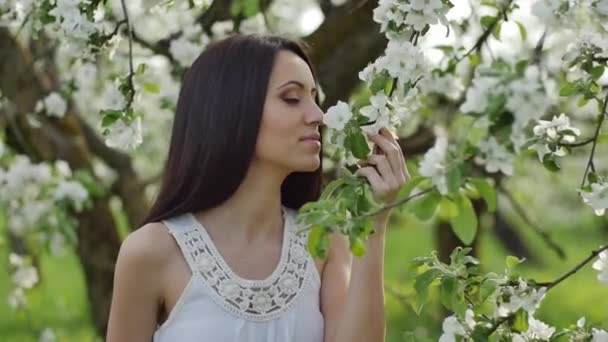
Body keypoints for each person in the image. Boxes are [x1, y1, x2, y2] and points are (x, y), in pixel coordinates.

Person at [106, 34, 409, 342]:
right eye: (292, 98)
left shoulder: (324, 241)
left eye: (314, 99)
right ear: (231, 109)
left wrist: (374, 222)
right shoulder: (150, 252)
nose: (319, 116)